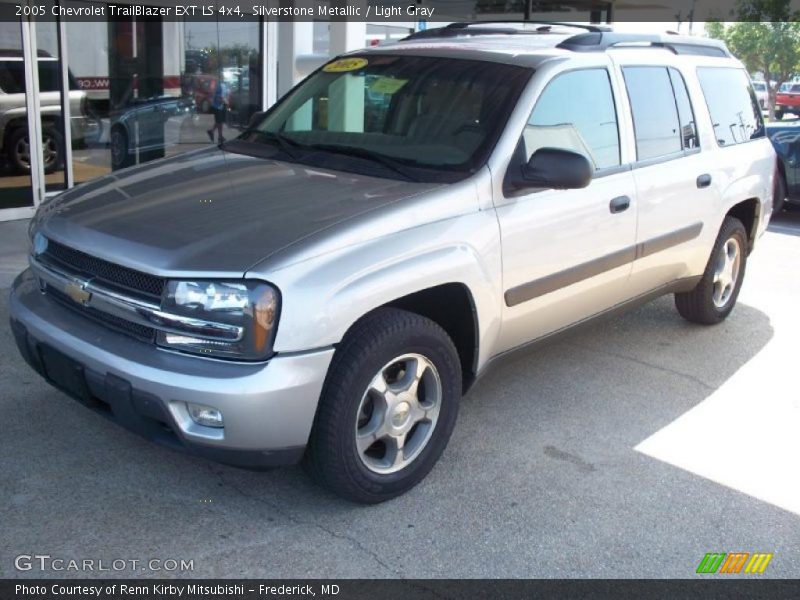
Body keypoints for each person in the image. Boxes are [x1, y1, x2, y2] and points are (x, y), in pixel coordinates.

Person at [206, 78, 228, 144]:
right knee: (220, 122)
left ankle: (212, 132)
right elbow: (218, 97)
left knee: (219, 122)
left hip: (220, 106)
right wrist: (225, 101)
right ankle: (220, 137)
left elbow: (221, 96)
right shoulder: (220, 86)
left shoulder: (223, 86)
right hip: (218, 107)